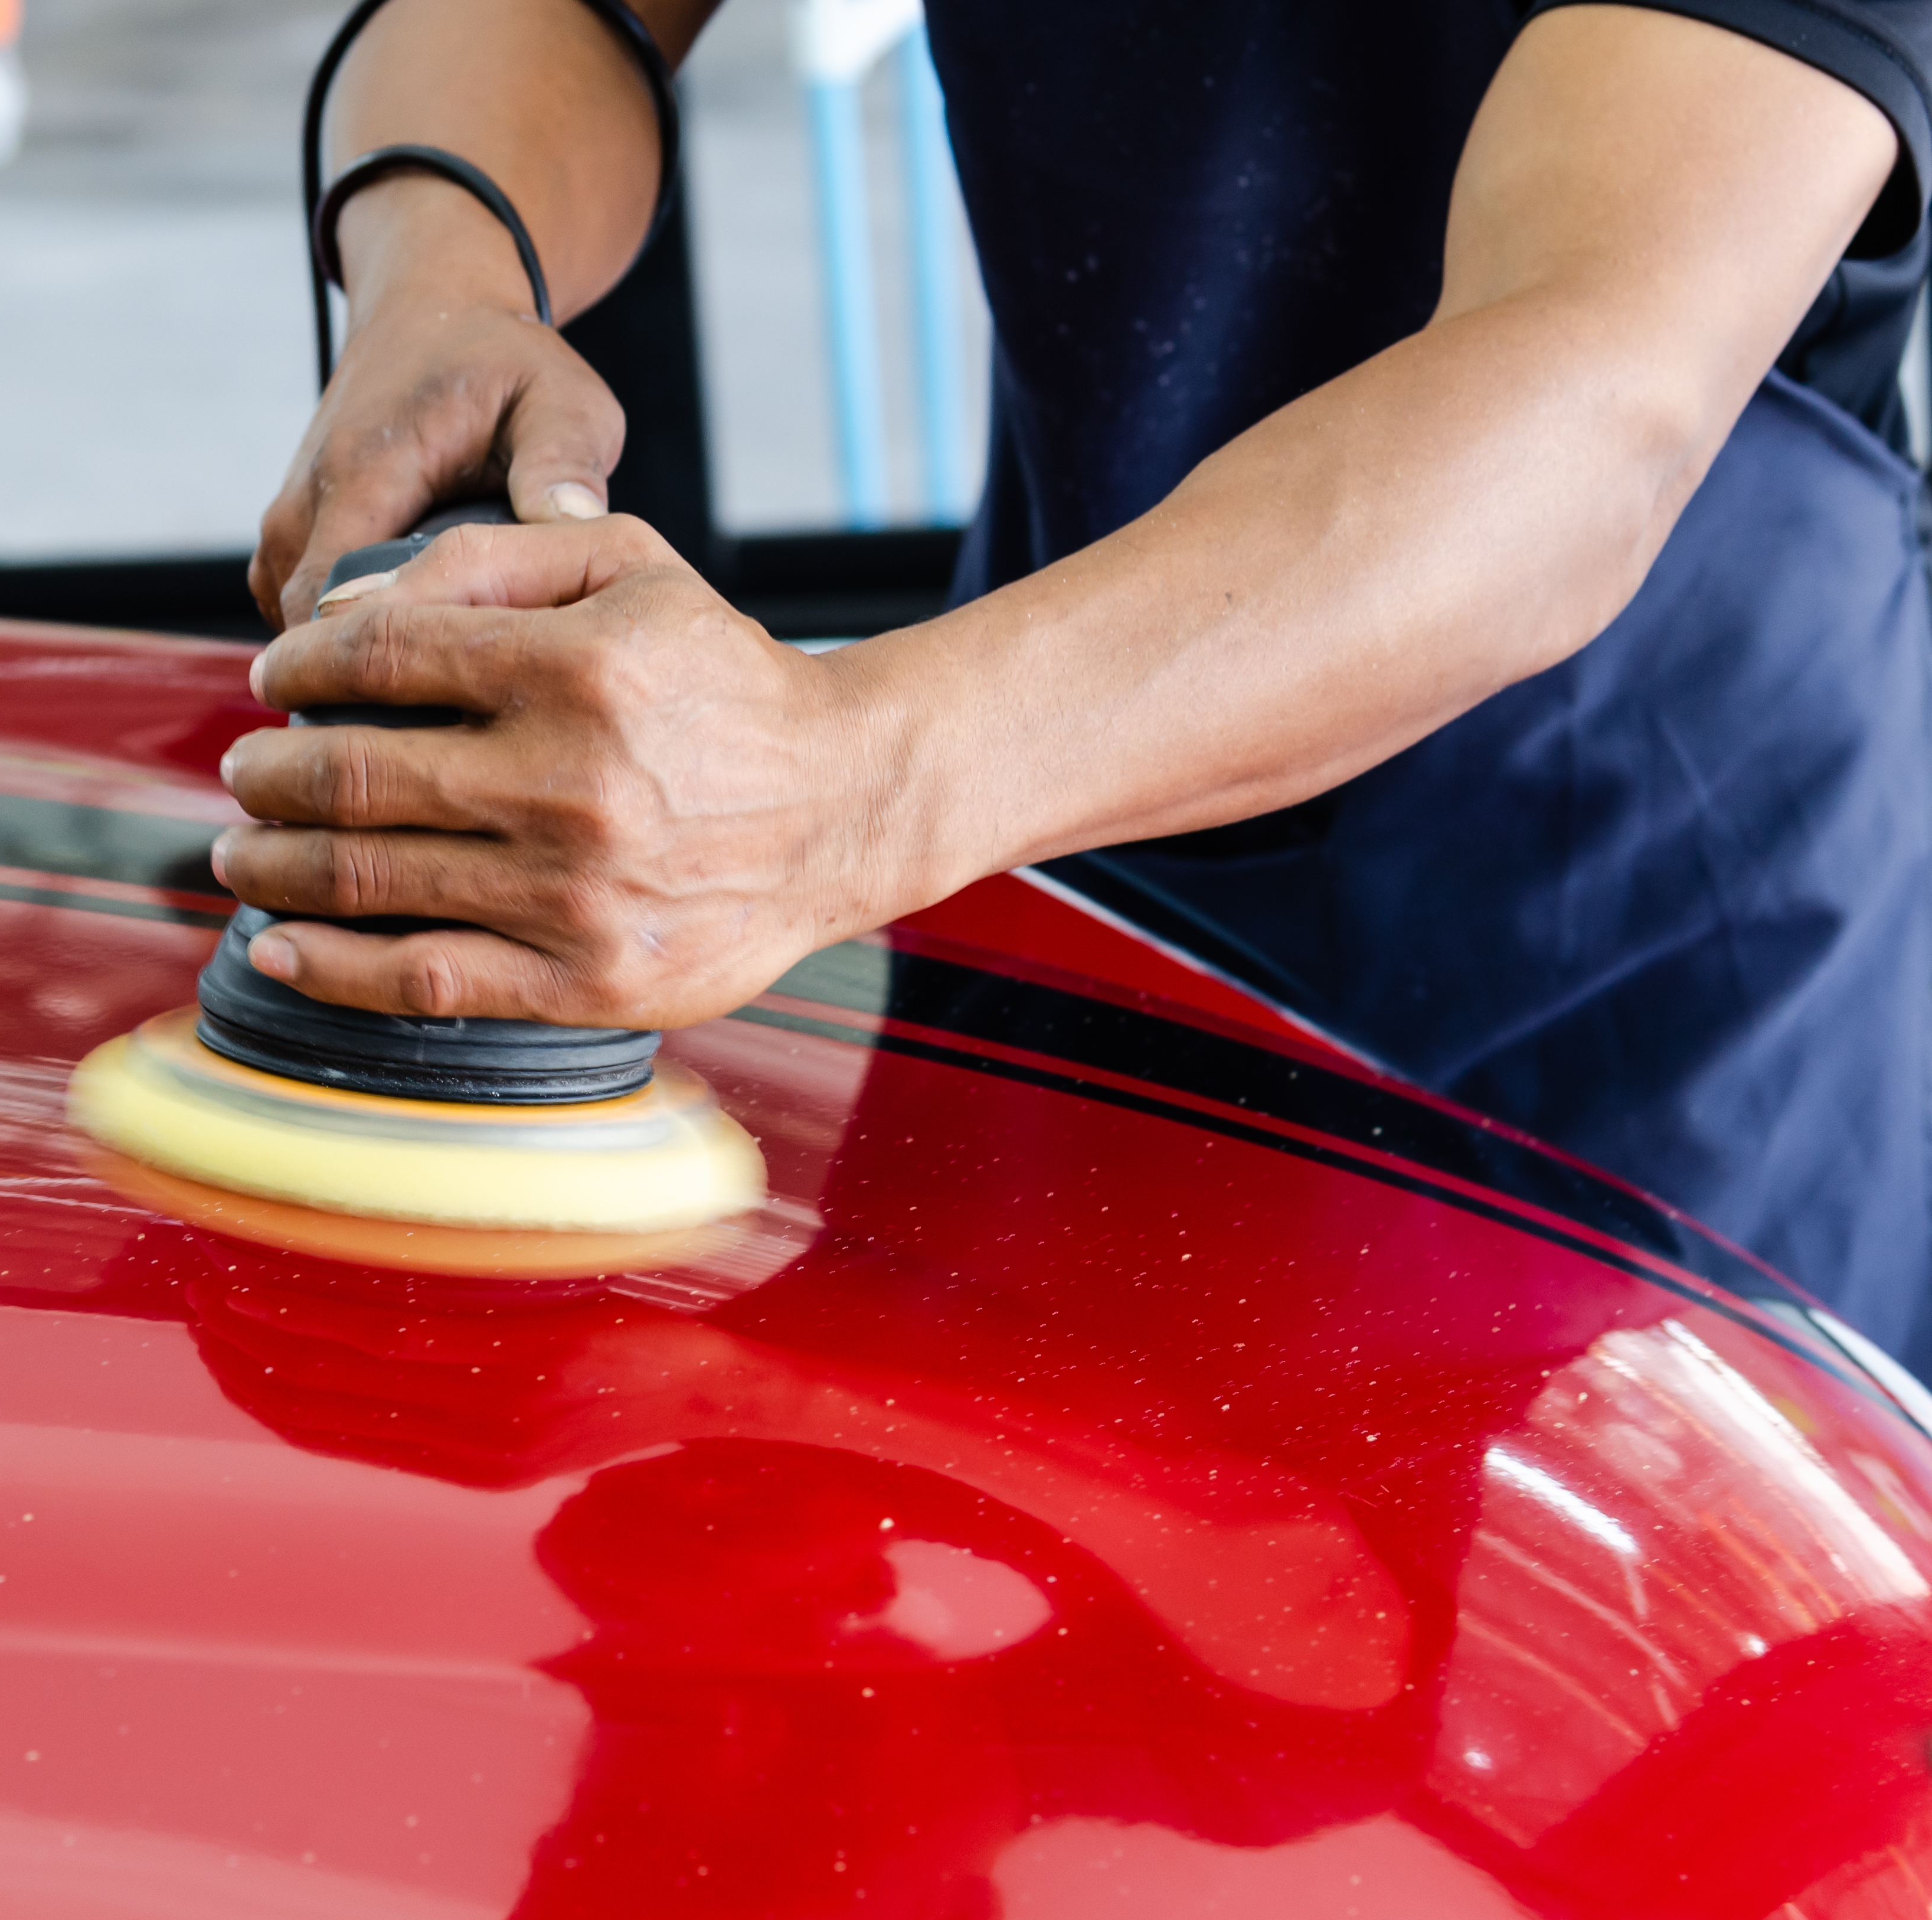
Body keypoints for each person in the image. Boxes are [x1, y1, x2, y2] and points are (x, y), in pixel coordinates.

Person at [212, 0, 1932, 1369]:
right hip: (1045, 817)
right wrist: (445, 275)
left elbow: (1599, 390)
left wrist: (845, 788)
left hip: (1641, 933)